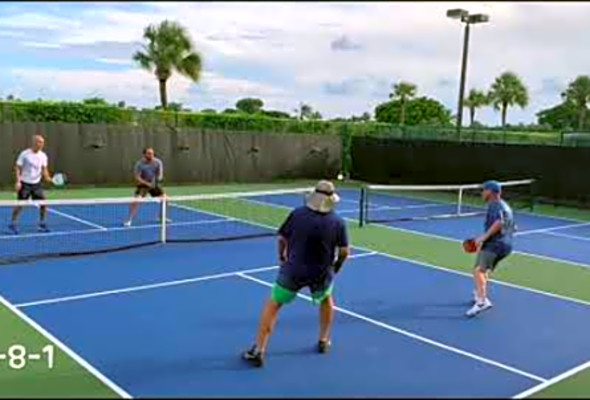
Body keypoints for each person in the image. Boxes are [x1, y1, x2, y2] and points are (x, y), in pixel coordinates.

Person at [242, 180, 350, 368]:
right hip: (321, 273)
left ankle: (259, 350)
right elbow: (344, 251)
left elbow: (282, 238)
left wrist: (281, 257)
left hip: (293, 270)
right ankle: (324, 340)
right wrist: (337, 267)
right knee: (327, 300)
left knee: (273, 305)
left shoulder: (297, 214)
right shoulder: (338, 222)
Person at [466, 180, 515, 318]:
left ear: (491, 192)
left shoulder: (495, 205)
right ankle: (480, 294)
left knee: (478, 271)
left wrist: (482, 238)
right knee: (483, 270)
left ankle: (482, 301)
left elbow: (499, 223)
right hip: (505, 245)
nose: (482, 192)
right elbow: (514, 227)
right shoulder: (506, 206)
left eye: (484, 190)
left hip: (495, 244)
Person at [9, 134, 53, 234]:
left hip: (36, 184)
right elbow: (17, 167)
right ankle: (13, 223)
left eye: (42, 143)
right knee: (20, 205)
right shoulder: (25, 154)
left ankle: (42, 223)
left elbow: (44, 169)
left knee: (44, 204)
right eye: (39, 142)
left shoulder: (43, 156)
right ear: (34, 142)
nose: (41, 144)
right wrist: (18, 181)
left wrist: (47, 177)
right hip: (25, 184)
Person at [124, 147, 166, 227]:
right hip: (143, 185)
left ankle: (162, 217)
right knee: (136, 201)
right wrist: (147, 184)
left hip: (154, 184)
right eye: (149, 153)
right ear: (144, 155)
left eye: (152, 153)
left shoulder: (158, 162)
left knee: (165, 199)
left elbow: (160, 175)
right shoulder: (139, 164)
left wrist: (155, 182)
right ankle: (129, 219)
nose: (151, 155)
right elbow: (137, 178)